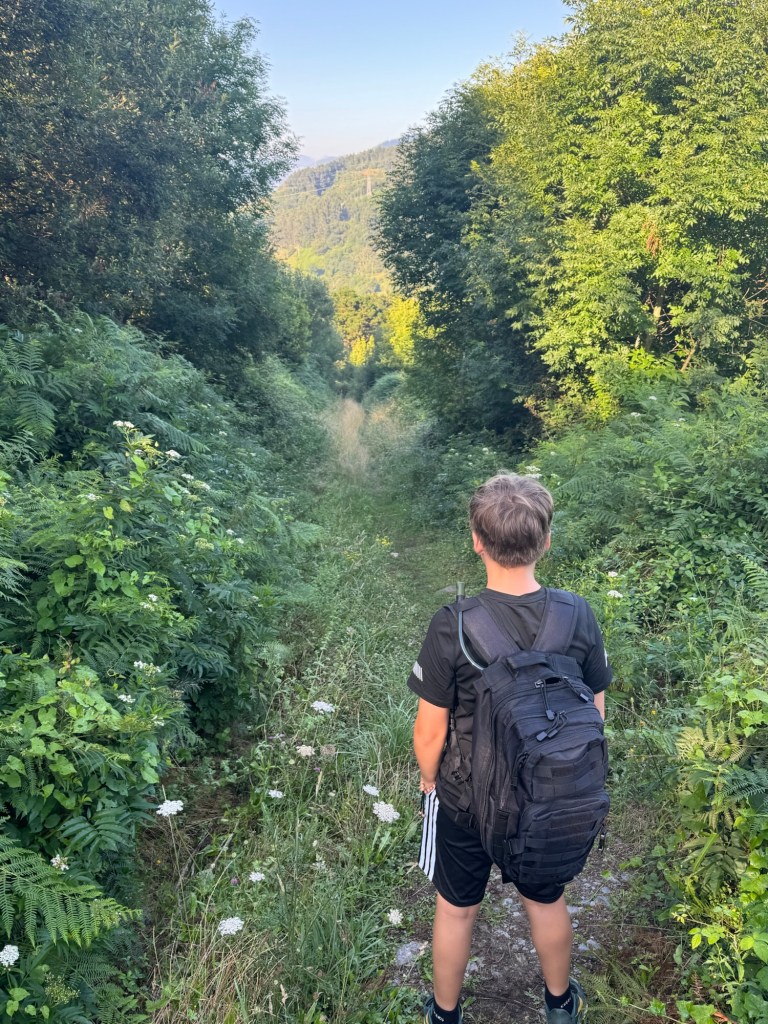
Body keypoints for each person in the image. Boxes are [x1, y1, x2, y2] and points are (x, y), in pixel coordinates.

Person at [408, 472, 611, 1024]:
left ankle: (444, 1014)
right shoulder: (577, 614)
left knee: (456, 910)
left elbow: (429, 732)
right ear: (546, 541)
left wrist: (430, 780)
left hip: (465, 800)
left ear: (477, 541)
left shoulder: (453, 625)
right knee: (546, 900)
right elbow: (593, 713)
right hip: (547, 795)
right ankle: (560, 1005)